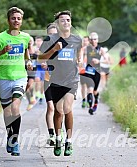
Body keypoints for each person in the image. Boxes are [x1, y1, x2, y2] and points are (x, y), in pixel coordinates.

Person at [0, 7, 32, 156]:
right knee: (7, 112)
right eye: (13, 18)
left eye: (19, 18)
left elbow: (26, 51)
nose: (16, 21)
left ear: (21, 21)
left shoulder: (25, 37)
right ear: (8, 20)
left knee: (15, 108)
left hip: (20, 77)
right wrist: (2, 52)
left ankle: (15, 140)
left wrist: (29, 61)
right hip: (4, 79)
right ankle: (9, 135)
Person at [38, 10, 82, 156]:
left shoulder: (77, 39)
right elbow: (40, 58)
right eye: (62, 20)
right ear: (57, 24)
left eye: (68, 20)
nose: (66, 22)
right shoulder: (49, 40)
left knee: (67, 108)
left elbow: (79, 52)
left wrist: (79, 60)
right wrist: (54, 50)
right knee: (58, 112)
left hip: (72, 79)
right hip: (56, 79)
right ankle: (58, 139)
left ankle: (68, 142)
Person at [80, 32, 102, 115]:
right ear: (89, 40)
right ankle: (90, 108)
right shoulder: (86, 49)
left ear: (97, 40)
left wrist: (99, 61)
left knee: (95, 91)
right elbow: (82, 57)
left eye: (95, 39)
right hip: (88, 72)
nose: (93, 41)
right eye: (92, 39)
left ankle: (95, 101)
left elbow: (108, 60)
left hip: (97, 72)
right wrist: (81, 62)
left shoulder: (101, 49)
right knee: (89, 89)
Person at [43, 23, 58, 146]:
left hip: (61, 81)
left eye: (54, 34)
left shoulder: (63, 46)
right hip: (48, 79)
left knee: (60, 109)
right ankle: (51, 135)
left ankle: (59, 133)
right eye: (50, 34)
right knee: (51, 107)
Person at [26, 36, 37, 111]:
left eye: (30, 41)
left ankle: (33, 96)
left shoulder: (35, 50)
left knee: (29, 84)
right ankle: (30, 101)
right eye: (28, 41)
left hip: (33, 70)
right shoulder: (24, 50)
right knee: (25, 88)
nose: (29, 42)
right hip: (24, 70)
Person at [79, 36, 90, 108]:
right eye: (84, 41)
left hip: (90, 70)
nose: (85, 42)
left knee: (89, 85)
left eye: (86, 41)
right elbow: (78, 59)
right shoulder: (80, 50)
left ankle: (89, 100)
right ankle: (83, 100)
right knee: (83, 86)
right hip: (82, 70)